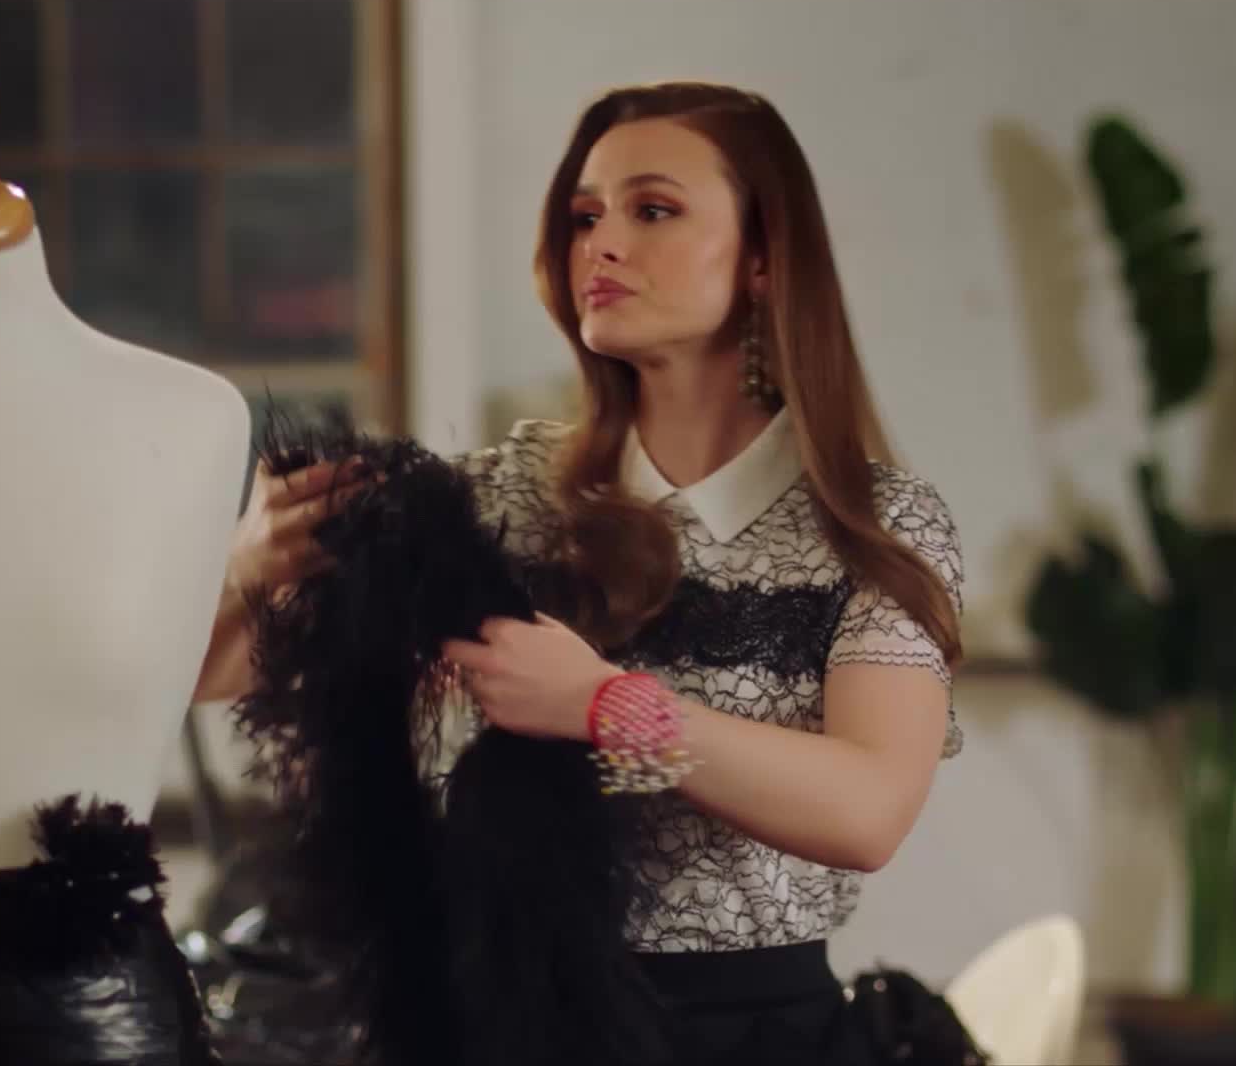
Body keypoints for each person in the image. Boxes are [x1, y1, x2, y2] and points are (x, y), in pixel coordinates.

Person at [193, 81, 965, 1064]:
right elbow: (218, 676)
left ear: (766, 257)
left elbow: (867, 813)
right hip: (514, 1023)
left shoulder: (877, 524)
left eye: (653, 210)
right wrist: (250, 567)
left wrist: (606, 706)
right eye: (585, 216)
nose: (601, 244)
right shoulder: (500, 498)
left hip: (765, 1039)